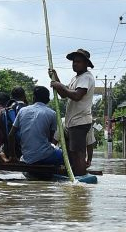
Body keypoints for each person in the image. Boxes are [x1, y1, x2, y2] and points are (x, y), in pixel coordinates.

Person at [49, 48, 95, 176]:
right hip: (73, 123)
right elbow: (65, 94)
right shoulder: (77, 78)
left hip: (79, 122)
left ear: (86, 64)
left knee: (79, 154)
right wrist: (56, 78)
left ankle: (80, 183)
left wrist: (58, 85)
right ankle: (75, 176)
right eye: (74, 62)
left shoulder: (86, 78)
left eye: (78, 62)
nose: (75, 64)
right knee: (72, 153)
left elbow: (76, 95)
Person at [7, 86, 63, 166]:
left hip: (27, 157)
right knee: (64, 155)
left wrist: (13, 156)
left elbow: (11, 135)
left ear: (34, 98)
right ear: (47, 99)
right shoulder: (52, 113)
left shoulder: (23, 110)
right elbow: (50, 139)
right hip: (44, 155)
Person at [0, 86, 28, 162]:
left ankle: (5, 158)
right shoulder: (29, 109)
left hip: (8, 151)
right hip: (26, 152)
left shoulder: (3, 111)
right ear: (24, 96)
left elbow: (1, 133)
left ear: (11, 97)